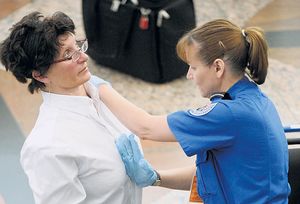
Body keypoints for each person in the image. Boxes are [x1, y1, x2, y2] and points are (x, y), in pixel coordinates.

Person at [97, 19, 291, 203]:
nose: (189, 75)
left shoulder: (229, 114)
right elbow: (213, 175)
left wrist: (98, 86)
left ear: (217, 67)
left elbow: (146, 127)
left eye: (194, 67)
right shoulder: (255, 100)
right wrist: (156, 177)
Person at [0, 11, 142, 204]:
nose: (83, 57)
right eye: (68, 55)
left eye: (78, 47)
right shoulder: (47, 146)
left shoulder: (98, 93)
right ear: (40, 75)